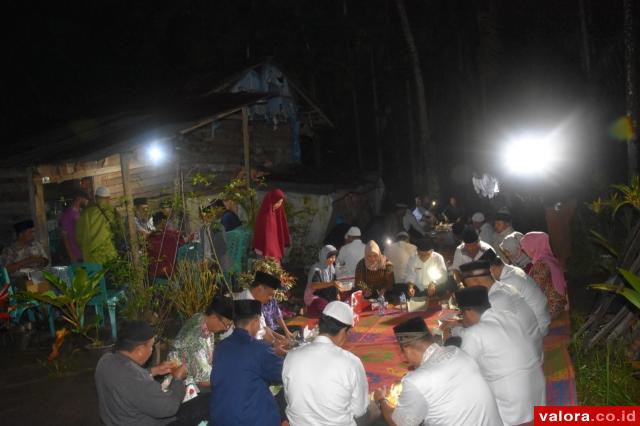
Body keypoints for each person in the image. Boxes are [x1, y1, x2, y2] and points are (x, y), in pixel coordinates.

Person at [374, 316, 501, 426]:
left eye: (402, 352)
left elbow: (399, 423)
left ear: (407, 349)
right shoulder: (456, 351)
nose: (403, 357)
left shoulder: (415, 381)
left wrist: (381, 400)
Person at [446, 287, 545, 426]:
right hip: (537, 390)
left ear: (468, 311)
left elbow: (462, 371)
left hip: (513, 403)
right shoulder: (509, 316)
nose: (462, 318)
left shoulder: (474, 333)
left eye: (461, 314)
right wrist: (458, 329)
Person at [95, 321, 208, 426]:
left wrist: (154, 370)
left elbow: (128, 379)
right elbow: (169, 408)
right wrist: (178, 379)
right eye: (151, 346)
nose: (152, 350)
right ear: (139, 350)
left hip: (115, 419)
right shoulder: (136, 380)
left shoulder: (105, 360)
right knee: (206, 402)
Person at [283, 301, 368, 425]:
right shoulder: (351, 363)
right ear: (344, 330)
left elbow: (289, 398)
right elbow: (359, 410)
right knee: (372, 410)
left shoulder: (291, 356)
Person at [210, 299, 285, 426]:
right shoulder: (259, 348)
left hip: (220, 417)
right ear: (256, 321)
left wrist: (271, 353)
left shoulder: (221, 347)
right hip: (250, 419)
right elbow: (283, 373)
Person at [460, 259, 543, 362]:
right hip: (531, 348)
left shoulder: (496, 299)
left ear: (475, 282)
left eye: (467, 285)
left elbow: (478, 332)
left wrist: (456, 328)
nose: (468, 289)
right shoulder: (503, 288)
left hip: (527, 359)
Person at [168, 295, 234, 389]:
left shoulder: (201, 318)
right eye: (226, 325)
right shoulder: (196, 338)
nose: (225, 329)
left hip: (194, 378)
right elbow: (205, 380)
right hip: (181, 389)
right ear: (215, 316)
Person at [483, 249, 550, 337]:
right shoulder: (513, 269)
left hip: (538, 328)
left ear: (491, 269)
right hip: (543, 319)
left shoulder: (509, 281)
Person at [520, 231, 568, 319]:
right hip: (557, 304)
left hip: (551, 308)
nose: (524, 250)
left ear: (533, 247)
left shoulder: (542, 264)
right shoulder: (548, 258)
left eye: (526, 247)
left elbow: (533, 289)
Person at [234, 270, 285, 343]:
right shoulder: (244, 302)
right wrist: (275, 343)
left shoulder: (255, 301)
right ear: (259, 289)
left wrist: (281, 339)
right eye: (270, 294)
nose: (270, 299)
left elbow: (264, 328)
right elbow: (260, 334)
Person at [76, 186, 118, 265]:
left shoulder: (86, 213)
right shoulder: (112, 211)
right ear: (109, 198)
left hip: (92, 257)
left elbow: (79, 236)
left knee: (97, 277)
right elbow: (120, 230)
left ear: (95, 197)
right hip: (110, 254)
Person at [252, 188, 290, 261]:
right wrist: (268, 252)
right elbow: (266, 236)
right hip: (263, 250)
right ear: (272, 201)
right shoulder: (265, 215)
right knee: (263, 270)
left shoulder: (277, 213)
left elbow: (280, 230)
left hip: (273, 251)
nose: (279, 205)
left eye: (281, 202)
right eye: (278, 202)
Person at [304, 245, 342, 317]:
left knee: (337, 307)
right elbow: (314, 285)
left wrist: (338, 298)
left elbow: (334, 284)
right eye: (331, 257)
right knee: (325, 309)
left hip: (326, 296)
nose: (333, 260)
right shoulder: (316, 269)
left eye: (334, 257)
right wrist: (331, 283)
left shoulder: (332, 268)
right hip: (315, 296)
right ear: (324, 256)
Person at [146, 211, 184, 281]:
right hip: (170, 273)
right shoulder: (171, 235)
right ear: (163, 222)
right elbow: (182, 242)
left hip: (153, 275)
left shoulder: (149, 239)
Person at [59, 190, 89, 263]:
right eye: (85, 199)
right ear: (79, 198)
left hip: (82, 253)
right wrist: (71, 256)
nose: (86, 201)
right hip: (75, 255)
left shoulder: (80, 212)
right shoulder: (67, 215)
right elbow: (64, 237)